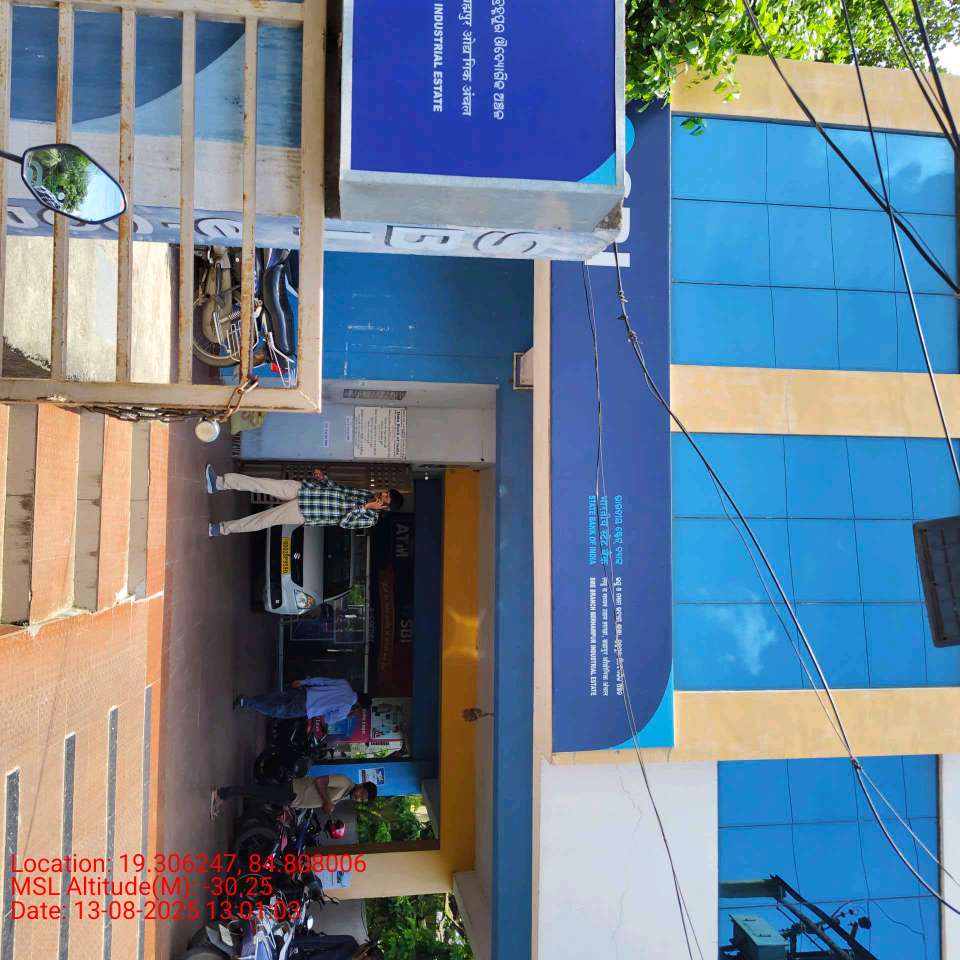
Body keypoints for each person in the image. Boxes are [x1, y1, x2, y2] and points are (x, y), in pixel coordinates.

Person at [204, 465, 404, 537]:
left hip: (306, 512)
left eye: (386, 498)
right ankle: (218, 483)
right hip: (307, 490)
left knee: (263, 520)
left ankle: (221, 529)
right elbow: (338, 490)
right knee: (262, 483)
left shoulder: (370, 519)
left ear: (385, 507)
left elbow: (344, 522)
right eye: (386, 492)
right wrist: (323, 479)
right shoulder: (365, 492)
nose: (382, 495)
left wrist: (365, 507)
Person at [210, 773, 376, 820]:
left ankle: (225, 794)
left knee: (258, 795)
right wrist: (327, 802)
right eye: (362, 794)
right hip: (294, 790)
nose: (359, 798)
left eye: (362, 799)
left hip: (294, 799)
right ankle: (221, 793)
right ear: (361, 785)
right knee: (257, 792)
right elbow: (319, 781)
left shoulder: (346, 794)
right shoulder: (345, 782)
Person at [234, 677, 371, 723]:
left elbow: (322, 681)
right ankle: (246, 702)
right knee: (276, 711)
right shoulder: (346, 708)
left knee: (276, 697)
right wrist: (347, 716)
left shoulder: (344, 684)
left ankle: (248, 700)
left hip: (305, 693)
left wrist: (304, 682)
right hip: (306, 708)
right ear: (360, 705)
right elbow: (328, 720)